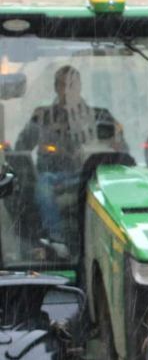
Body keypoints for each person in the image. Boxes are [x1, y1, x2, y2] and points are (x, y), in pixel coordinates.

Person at [15, 65, 125, 246]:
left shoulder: (100, 116)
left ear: (79, 86)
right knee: (43, 187)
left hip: (92, 176)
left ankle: (108, 242)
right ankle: (57, 240)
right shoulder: (43, 117)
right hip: (55, 178)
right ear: (56, 88)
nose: (67, 89)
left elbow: (121, 149)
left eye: (72, 84)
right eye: (62, 85)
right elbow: (21, 150)